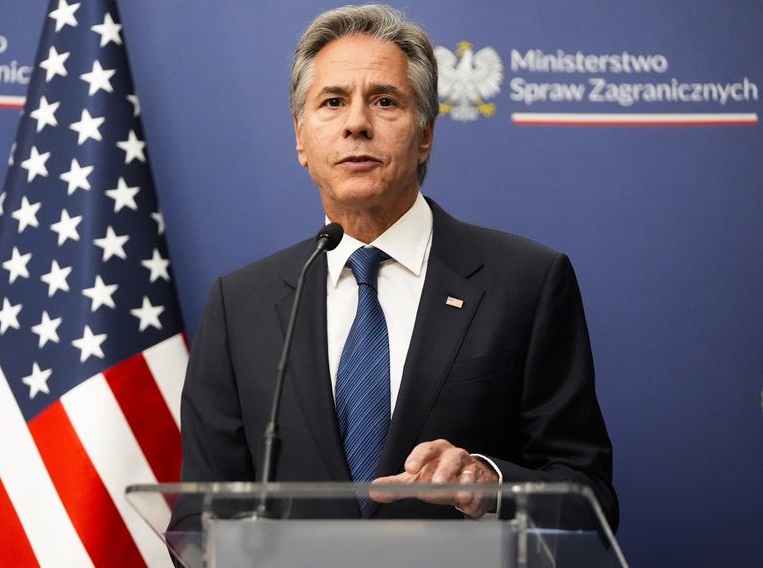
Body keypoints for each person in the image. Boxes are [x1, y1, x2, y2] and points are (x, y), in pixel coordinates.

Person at [172, 4, 618, 529]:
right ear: (300, 137)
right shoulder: (239, 304)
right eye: (333, 102)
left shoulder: (526, 282)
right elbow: (198, 518)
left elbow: (588, 498)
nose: (356, 124)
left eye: (385, 101)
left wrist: (489, 482)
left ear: (425, 132)